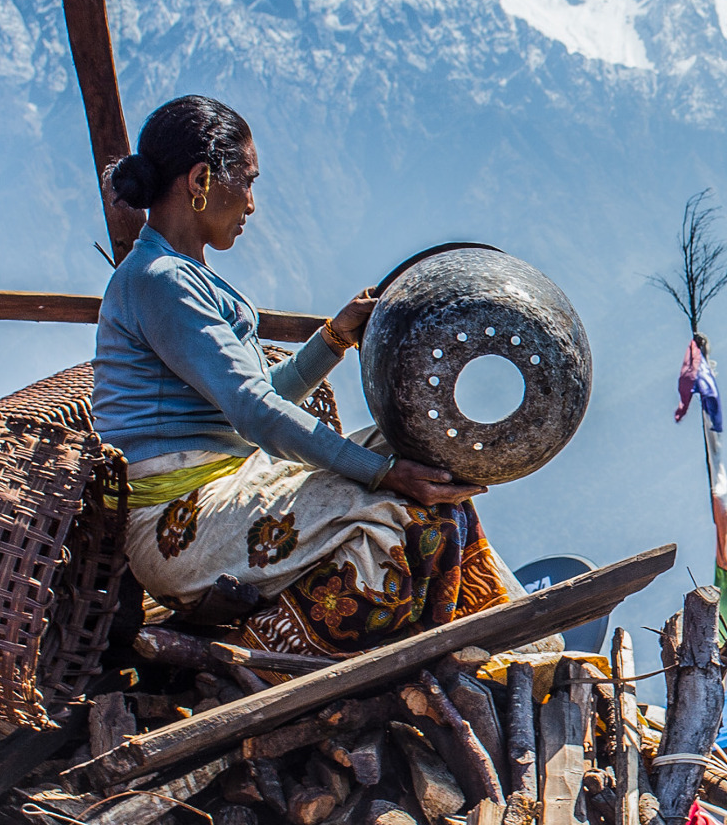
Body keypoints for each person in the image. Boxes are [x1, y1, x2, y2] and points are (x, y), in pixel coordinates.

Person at [91, 95, 520, 656]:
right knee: (399, 507)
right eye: (246, 181)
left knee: (415, 453)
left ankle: (497, 634)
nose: (250, 203)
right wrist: (381, 475)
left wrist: (335, 338)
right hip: (179, 524)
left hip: (225, 492)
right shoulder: (159, 280)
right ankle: (295, 649)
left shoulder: (182, 276)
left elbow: (255, 402)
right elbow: (254, 411)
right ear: (200, 178)